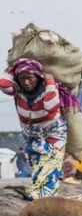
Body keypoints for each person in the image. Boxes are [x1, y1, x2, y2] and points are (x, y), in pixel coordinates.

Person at [0, 59, 66, 199]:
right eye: (22, 78)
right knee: (37, 166)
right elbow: (3, 84)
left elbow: (50, 105)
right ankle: (38, 199)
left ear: (38, 76)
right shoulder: (18, 89)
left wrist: (48, 79)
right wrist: (14, 68)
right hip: (32, 135)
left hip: (53, 133)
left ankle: (47, 200)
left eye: (30, 78)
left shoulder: (48, 86)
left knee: (50, 165)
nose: (26, 82)